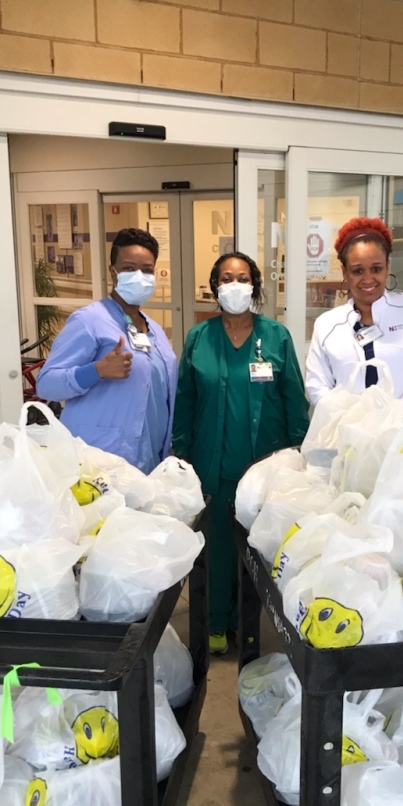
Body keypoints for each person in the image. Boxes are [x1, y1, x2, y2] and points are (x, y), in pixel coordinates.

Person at [173, 252, 310, 655]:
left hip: (265, 465)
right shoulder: (199, 338)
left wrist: (300, 453)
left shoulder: (277, 337)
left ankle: (250, 622)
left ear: (255, 286)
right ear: (216, 287)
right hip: (210, 461)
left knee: (256, 547)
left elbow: (293, 399)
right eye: (227, 278)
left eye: (243, 278)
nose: (236, 285)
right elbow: (185, 399)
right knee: (215, 547)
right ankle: (216, 623)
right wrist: (180, 452)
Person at [36, 227, 177, 473]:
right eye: (129, 268)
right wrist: (97, 370)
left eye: (147, 270)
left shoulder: (155, 330)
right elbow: (46, 383)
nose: (139, 276)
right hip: (99, 458)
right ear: (113, 272)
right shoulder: (89, 321)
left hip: (148, 458)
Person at [306, 217, 403, 412]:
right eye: (358, 270)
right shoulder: (327, 325)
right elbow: (318, 386)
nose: (368, 279)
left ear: (388, 267)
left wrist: (395, 419)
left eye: (376, 269)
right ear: (345, 272)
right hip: (348, 436)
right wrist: (352, 424)